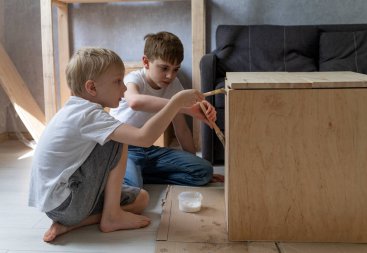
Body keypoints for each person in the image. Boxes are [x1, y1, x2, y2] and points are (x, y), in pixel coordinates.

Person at [28, 47, 205, 242]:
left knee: (141, 199)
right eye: (118, 81)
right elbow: (143, 137)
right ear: (92, 88)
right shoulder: (88, 115)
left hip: (60, 206)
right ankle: (111, 216)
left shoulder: (75, 109)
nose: (123, 88)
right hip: (67, 203)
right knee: (118, 137)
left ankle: (83, 222)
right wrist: (175, 103)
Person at [110, 31, 224, 188]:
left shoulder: (174, 85)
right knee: (132, 190)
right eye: (164, 68)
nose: (170, 75)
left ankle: (141, 176)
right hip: (122, 150)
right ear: (146, 62)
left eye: (175, 69)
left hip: (148, 150)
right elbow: (135, 102)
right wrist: (181, 106)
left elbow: (182, 130)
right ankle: (131, 177)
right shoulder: (134, 79)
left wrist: (192, 162)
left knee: (204, 171)